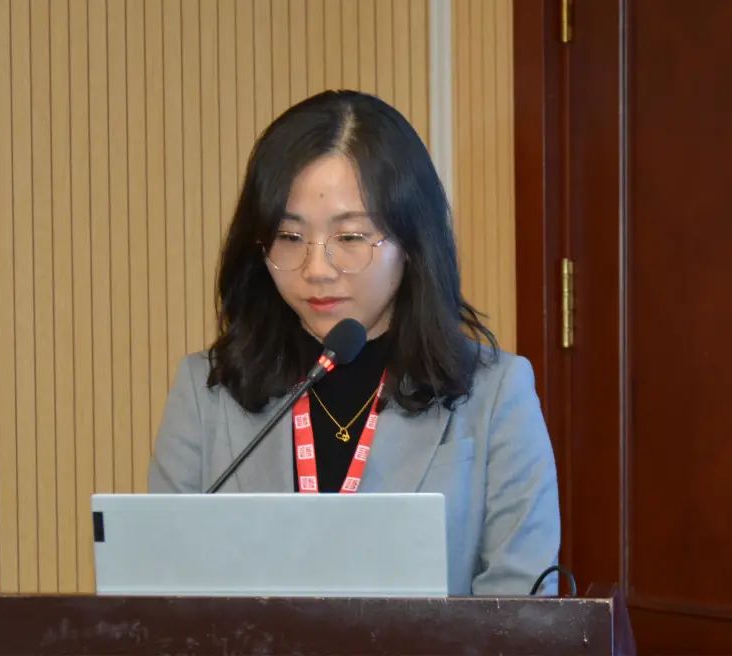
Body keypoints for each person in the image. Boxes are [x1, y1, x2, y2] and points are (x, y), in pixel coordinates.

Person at [148, 90, 560, 596]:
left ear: (412, 241)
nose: (316, 270)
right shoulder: (206, 391)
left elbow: (520, 611)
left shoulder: (496, 395)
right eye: (290, 238)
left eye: (349, 238)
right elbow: (157, 592)